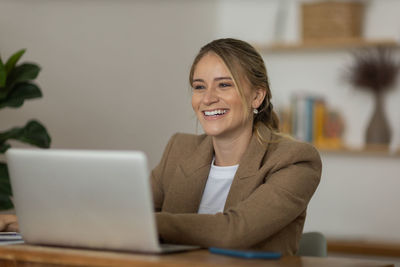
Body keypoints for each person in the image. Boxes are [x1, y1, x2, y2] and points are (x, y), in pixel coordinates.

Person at [0, 38, 321, 255]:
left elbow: (233, 231)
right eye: (199, 86)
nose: (207, 98)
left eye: (224, 85)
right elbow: (122, 209)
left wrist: (138, 222)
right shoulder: (180, 149)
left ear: (257, 96)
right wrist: (21, 219)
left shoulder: (295, 161)